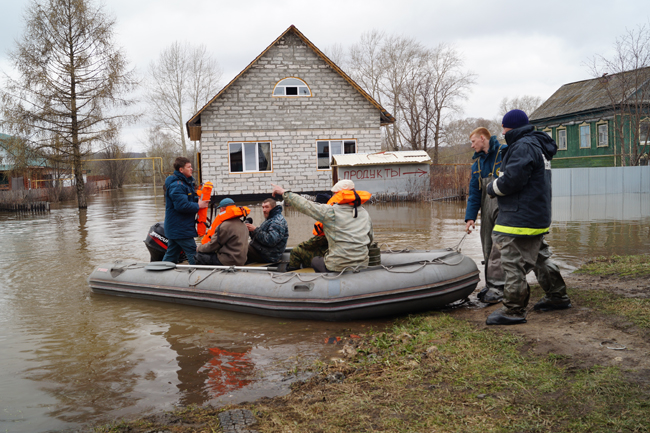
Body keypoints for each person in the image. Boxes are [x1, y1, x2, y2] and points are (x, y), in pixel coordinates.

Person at [485, 109, 571, 325]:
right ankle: (557, 296)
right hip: (536, 216)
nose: (502, 131)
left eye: (503, 127)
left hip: (518, 219)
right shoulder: (538, 145)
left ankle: (513, 310)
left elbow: (512, 181)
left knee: (512, 263)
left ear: (509, 127)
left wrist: (492, 187)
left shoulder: (522, 146)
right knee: (541, 257)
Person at [272, 180, 373, 273]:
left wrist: (284, 192)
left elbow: (305, 205)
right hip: (362, 264)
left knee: (316, 260)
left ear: (338, 195)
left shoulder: (331, 212)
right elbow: (370, 239)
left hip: (338, 266)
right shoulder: (365, 214)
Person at [465, 127, 507, 304]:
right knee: (487, 245)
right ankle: (490, 284)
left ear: (483, 138)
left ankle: (500, 287)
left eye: (473, 141)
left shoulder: (504, 153)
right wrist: (470, 218)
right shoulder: (477, 165)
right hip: (486, 209)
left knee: (500, 246)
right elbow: (474, 194)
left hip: (504, 207)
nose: (472, 145)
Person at [162, 157, 208, 265]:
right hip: (180, 228)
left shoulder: (184, 183)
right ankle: (198, 277)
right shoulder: (177, 185)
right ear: (181, 170)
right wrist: (198, 205)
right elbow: (181, 206)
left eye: (191, 167)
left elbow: (187, 200)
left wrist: (200, 200)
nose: (191, 169)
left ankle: (159, 276)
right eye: (189, 167)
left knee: (171, 254)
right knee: (193, 254)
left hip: (177, 228)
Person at [195, 198, 249, 266]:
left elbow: (213, 245)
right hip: (241, 260)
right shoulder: (242, 224)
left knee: (200, 256)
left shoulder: (225, 226)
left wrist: (199, 248)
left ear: (222, 209)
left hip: (229, 260)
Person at [287, 192, 332, 271]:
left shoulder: (326, 221)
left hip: (326, 254)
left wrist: (301, 245)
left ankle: (291, 273)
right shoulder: (333, 216)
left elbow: (316, 241)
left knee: (295, 251)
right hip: (328, 250)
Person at [245, 198, 289, 263]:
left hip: (269, 255)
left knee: (241, 248)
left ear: (274, 207)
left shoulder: (277, 221)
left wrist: (255, 230)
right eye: (263, 207)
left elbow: (271, 240)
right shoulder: (270, 219)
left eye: (267, 207)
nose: (264, 210)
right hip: (263, 251)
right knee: (241, 246)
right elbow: (261, 237)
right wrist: (251, 231)